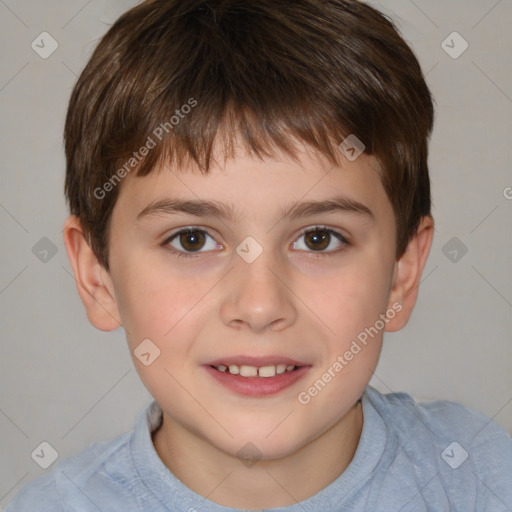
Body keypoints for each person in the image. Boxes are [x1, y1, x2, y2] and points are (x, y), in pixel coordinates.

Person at [6, 0, 512, 510]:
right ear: (98, 276)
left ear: (403, 273)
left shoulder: (482, 480)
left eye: (319, 238)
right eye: (191, 240)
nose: (259, 306)